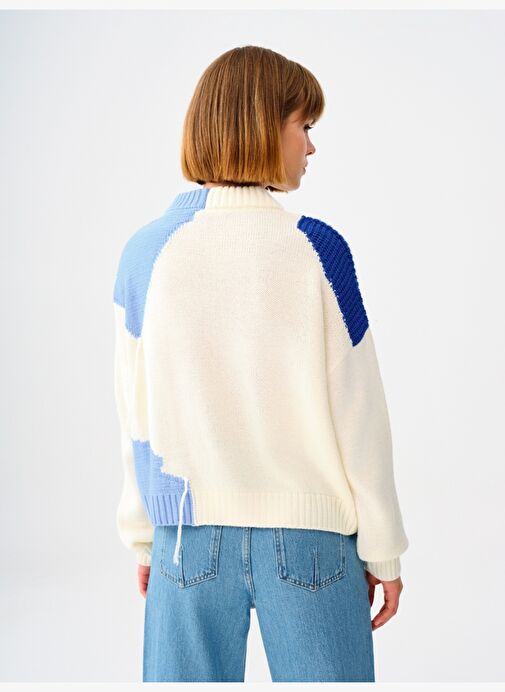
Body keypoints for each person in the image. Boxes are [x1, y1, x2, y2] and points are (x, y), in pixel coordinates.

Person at [112, 45, 409, 683]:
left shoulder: (146, 253)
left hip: (187, 537)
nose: (311, 147)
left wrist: (143, 533)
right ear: (262, 127)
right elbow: (359, 412)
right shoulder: (319, 250)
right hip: (312, 542)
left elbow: (135, 411)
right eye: (305, 126)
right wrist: (383, 549)